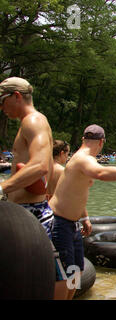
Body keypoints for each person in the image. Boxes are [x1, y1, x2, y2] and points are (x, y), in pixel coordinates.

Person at [48, 124, 116, 299]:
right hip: (60, 222)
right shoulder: (84, 158)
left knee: (75, 270)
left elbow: (77, 192)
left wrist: (85, 217)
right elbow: (100, 173)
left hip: (72, 224)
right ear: (101, 142)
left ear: (84, 139)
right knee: (64, 276)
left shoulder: (81, 158)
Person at [0, 76, 69, 299]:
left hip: (32, 214)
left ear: (16, 96)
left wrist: (3, 187)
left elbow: (39, 166)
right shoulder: (30, 123)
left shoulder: (33, 121)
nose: (1, 108)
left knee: (50, 274)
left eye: (2, 101)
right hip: (29, 211)